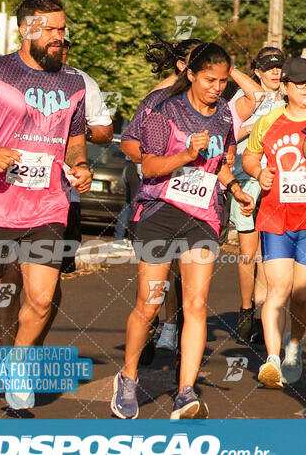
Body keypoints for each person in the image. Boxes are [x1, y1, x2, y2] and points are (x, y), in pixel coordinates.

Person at [0, 0, 93, 418]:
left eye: (62, 29)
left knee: (43, 299)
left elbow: (76, 137)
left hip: (48, 205)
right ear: (25, 29)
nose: (58, 37)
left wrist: (80, 165)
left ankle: (17, 364)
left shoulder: (73, 83)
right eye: (49, 29)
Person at [111, 43, 255, 420]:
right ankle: (127, 377)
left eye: (223, 81)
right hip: (160, 212)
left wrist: (236, 189)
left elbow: (219, 163)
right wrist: (186, 155)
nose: (217, 89)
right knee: (151, 301)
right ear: (190, 74)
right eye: (210, 80)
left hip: (202, 217)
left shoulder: (223, 113)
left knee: (195, 305)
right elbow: (151, 166)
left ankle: (186, 392)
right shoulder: (163, 108)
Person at [0, 30, 113, 347]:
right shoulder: (6, 75)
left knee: (46, 282)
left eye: (63, 45)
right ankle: (7, 350)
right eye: (51, 43)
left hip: (59, 197)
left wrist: (75, 131)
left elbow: (104, 131)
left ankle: (31, 345)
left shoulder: (81, 83)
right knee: (8, 274)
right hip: (7, 192)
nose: (57, 50)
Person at [243, 57, 306, 388]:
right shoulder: (269, 121)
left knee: (301, 296)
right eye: (301, 85)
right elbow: (249, 156)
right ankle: (272, 359)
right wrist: (258, 172)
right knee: (278, 291)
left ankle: (294, 344)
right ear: (286, 88)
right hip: (276, 217)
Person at [230, 47, 285, 344]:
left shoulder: (290, 100)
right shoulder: (244, 100)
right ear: (258, 72)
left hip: (276, 182)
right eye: (269, 67)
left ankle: (264, 314)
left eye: (279, 67)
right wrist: (255, 129)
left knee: (268, 252)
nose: (275, 72)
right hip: (246, 180)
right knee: (248, 253)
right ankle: (245, 309)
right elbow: (226, 134)